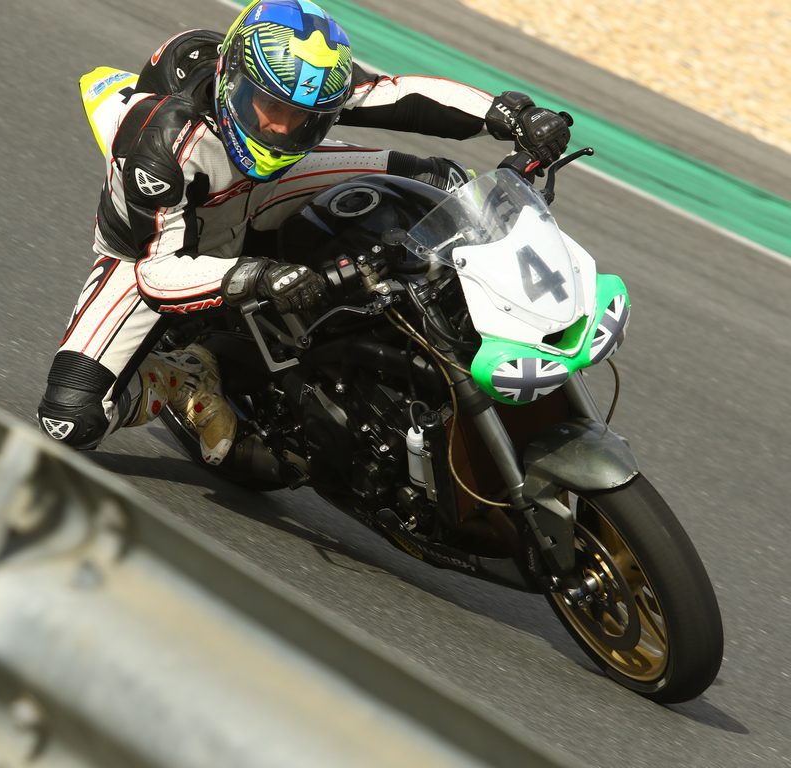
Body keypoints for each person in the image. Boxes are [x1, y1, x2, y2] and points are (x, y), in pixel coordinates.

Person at [37, 0, 571, 464]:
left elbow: (396, 94)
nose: (280, 128)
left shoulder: (305, 77)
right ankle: (182, 378)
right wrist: (255, 276)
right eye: (269, 108)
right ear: (231, 81)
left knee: (437, 178)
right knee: (70, 417)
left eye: (303, 119)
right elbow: (157, 273)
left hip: (260, 190)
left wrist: (509, 114)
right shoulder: (160, 145)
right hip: (154, 253)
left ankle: (474, 312)